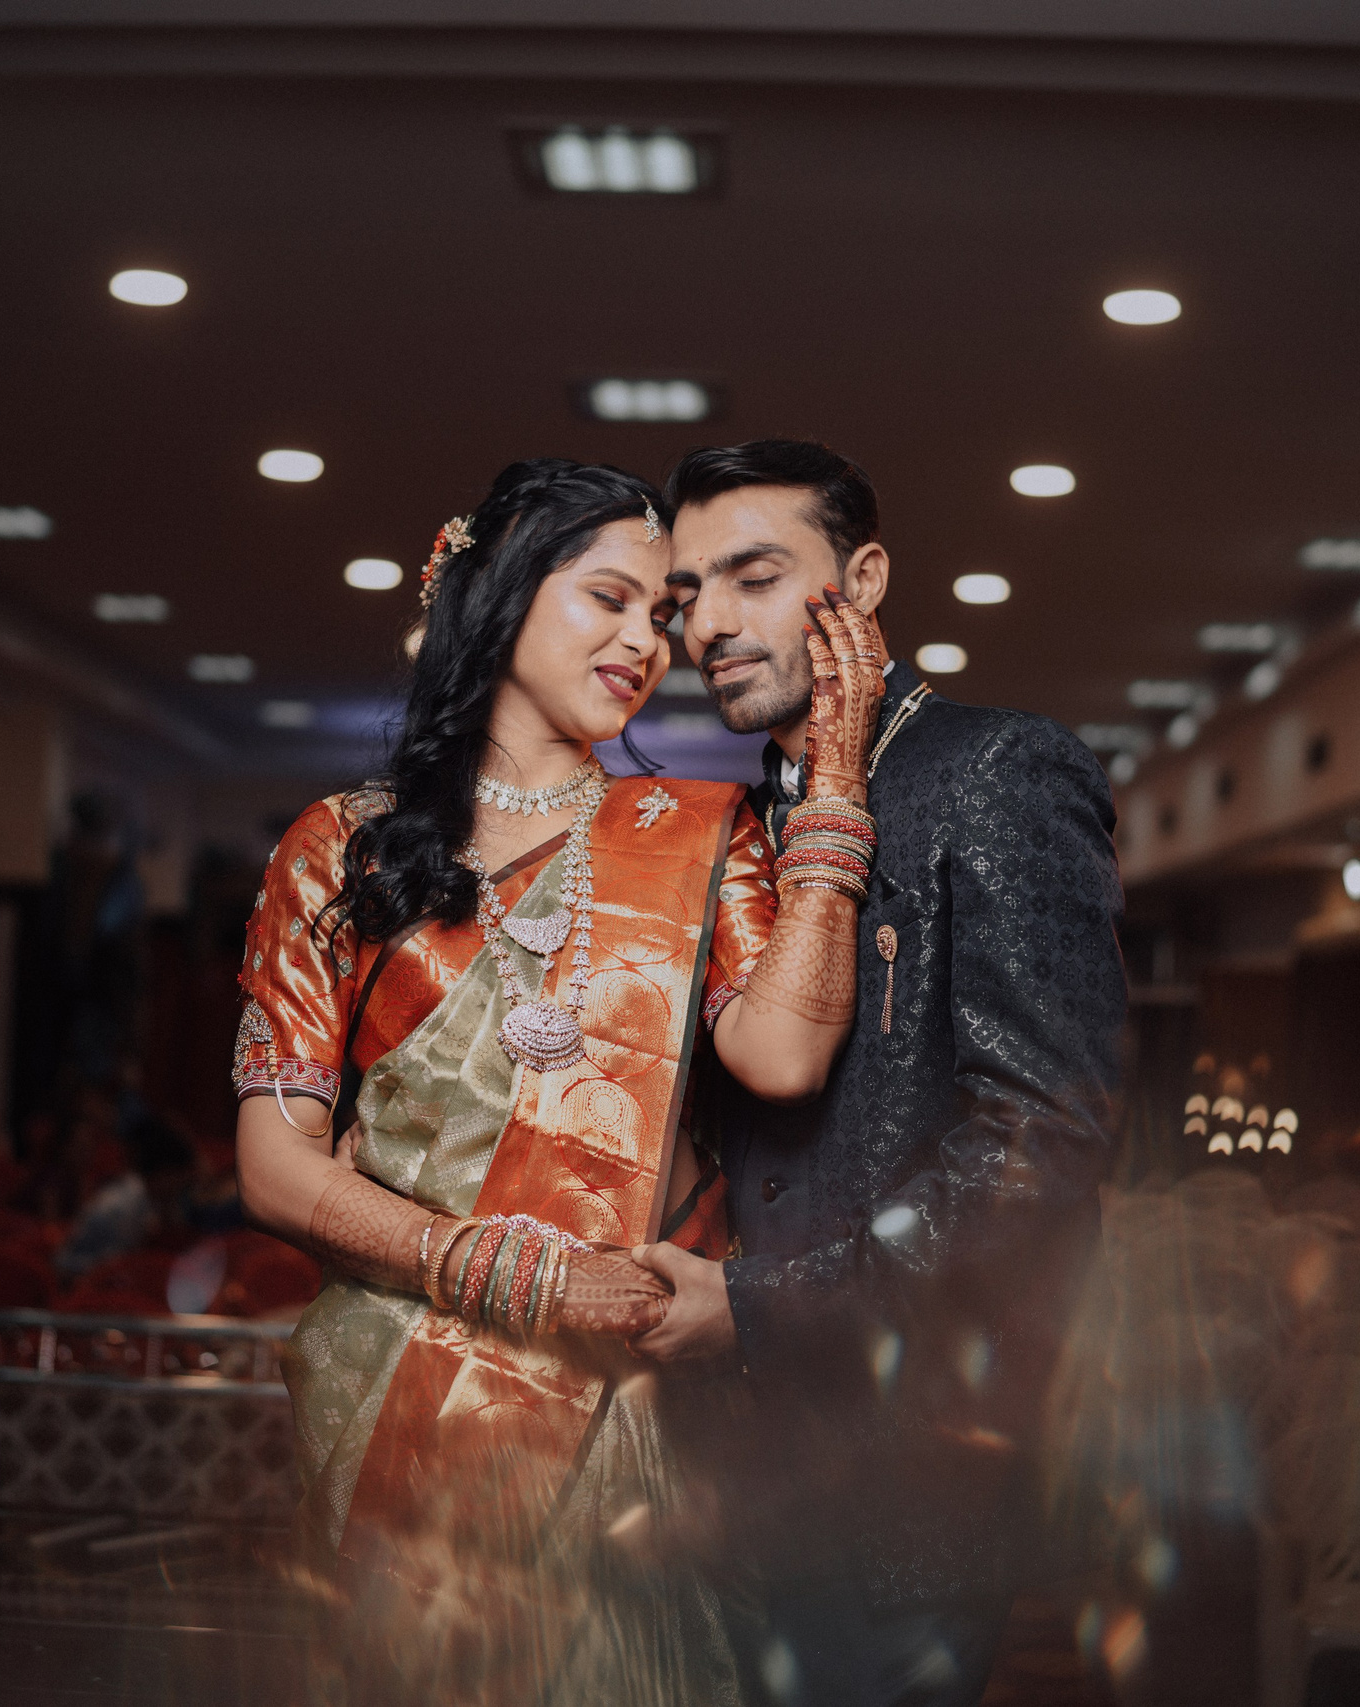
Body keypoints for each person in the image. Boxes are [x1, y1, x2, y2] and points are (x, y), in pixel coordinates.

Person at [232, 457, 889, 1706]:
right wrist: (508, 1273)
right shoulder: (342, 848)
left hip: (631, 1411)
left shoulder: (699, 830)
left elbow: (786, 1054)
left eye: (662, 613)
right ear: (498, 591)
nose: (649, 641)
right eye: (610, 599)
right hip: (403, 1390)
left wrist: (837, 782)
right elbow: (273, 1169)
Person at [637, 440, 1126, 1707]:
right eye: (687, 593)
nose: (710, 625)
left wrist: (757, 1307)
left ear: (861, 579)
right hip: (731, 1468)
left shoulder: (995, 772)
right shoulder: (735, 827)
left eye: (754, 577)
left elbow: (1044, 1143)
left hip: (905, 1467)